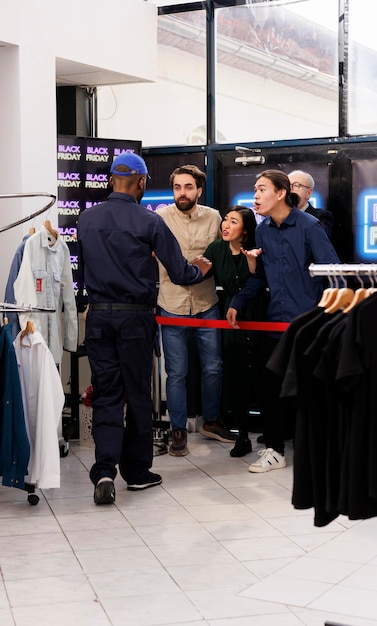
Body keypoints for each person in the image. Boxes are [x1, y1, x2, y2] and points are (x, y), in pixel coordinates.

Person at [77, 153, 212, 505]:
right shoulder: (148, 221)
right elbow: (181, 274)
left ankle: (104, 469)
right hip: (134, 318)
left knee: (106, 393)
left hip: (98, 317)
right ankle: (136, 473)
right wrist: (202, 267)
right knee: (137, 393)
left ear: (110, 181)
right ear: (141, 182)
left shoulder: (86, 219)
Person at [226, 169, 340, 473]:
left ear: (281, 193)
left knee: (310, 391)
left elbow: (333, 273)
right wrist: (238, 301)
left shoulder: (310, 226)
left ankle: (320, 450)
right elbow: (261, 275)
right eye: (254, 189)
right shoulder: (262, 230)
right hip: (274, 324)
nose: (255, 195)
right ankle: (274, 451)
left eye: (262, 189)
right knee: (268, 387)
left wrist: (326, 319)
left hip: (308, 326)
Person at [156, 164, 237, 457]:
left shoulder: (214, 217)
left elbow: (225, 253)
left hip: (206, 304)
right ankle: (178, 428)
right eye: (177, 187)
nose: (182, 193)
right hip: (172, 305)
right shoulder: (160, 218)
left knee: (213, 367)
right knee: (176, 372)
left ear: (199, 190)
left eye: (188, 187)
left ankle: (211, 421)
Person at [204, 206, 268, 457]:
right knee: (236, 377)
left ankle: (273, 429)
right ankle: (241, 436)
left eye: (233, 222)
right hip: (230, 319)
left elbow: (259, 280)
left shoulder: (256, 249)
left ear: (245, 231)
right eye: (225, 220)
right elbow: (198, 273)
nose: (225, 225)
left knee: (262, 375)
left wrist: (253, 265)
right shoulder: (216, 249)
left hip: (257, 315)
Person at [287, 170, 334, 237]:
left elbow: (317, 238)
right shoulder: (276, 216)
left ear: (308, 193)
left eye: (296, 185)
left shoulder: (322, 216)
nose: (290, 189)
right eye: (287, 185)